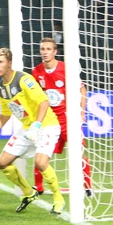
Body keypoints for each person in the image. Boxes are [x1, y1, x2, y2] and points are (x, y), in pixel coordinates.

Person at [0, 48, 66, 215]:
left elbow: (44, 102)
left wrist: (37, 126)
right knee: (2, 163)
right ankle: (28, 193)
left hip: (46, 125)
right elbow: (5, 115)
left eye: (0, 62)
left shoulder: (24, 80)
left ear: (9, 63)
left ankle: (58, 198)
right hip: (26, 128)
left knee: (41, 162)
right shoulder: (0, 88)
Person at [32, 38, 93, 197]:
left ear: (55, 52)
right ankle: (38, 187)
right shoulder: (37, 72)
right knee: (41, 154)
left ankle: (88, 187)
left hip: (68, 120)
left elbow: (82, 90)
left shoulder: (66, 69)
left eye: (48, 49)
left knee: (79, 152)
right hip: (50, 121)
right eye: (42, 49)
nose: (44, 52)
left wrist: (81, 111)